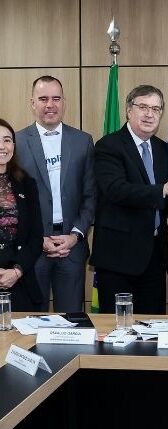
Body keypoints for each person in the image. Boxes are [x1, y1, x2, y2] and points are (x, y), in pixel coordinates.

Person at [90, 85, 168, 314]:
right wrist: (164, 189)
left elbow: (164, 198)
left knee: (152, 327)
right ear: (128, 110)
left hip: (154, 257)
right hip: (118, 258)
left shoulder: (162, 149)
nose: (149, 114)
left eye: (156, 109)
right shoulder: (108, 145)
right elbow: (116, 190)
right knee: (117, 327)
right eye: (143, 107)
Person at [15, 76, 95, 312]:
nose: (50, 104)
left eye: (56, 98)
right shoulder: (15, 142)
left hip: (72, 247)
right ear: (32, 103)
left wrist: (75, 235)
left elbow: (90, 195)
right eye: (43, 99)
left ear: (64, 102)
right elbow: (12, 202)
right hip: (32, 249)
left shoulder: (83, 141)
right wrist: (38, 239)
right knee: (31, 320)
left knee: (71, 321)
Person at [0, 118, 43, 311]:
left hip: (20, 281)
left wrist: (16, 272)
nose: (2, 147)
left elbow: (36, 237)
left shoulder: (26, 183)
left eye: (7, 140)